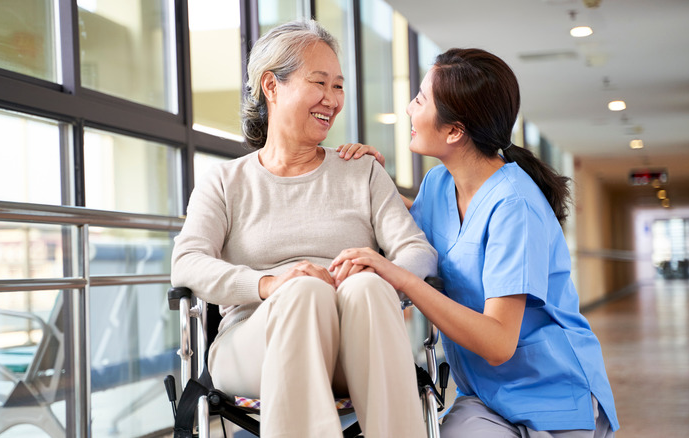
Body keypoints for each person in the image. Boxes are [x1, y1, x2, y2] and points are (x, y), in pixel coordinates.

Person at [331, 48, 619, 437]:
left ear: (454, 131)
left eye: (420, 99)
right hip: (488, 397)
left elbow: (499, 341)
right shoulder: (438, 185)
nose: (409, 109)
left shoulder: (515, 205)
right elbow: (407, 232)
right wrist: (370, 179)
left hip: (554, 398)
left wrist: (403, 280)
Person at [170, 20, 437, 438]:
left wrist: (379, 272)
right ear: (271, 87)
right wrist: (271, 284)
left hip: (356, 345)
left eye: (339, 86)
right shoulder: (225, 181)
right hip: (254, 345)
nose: (332, 100)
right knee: (304, 290)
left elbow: (417, 252)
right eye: (320, 83)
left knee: (367, 287)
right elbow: (187, 264)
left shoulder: (362, 170)